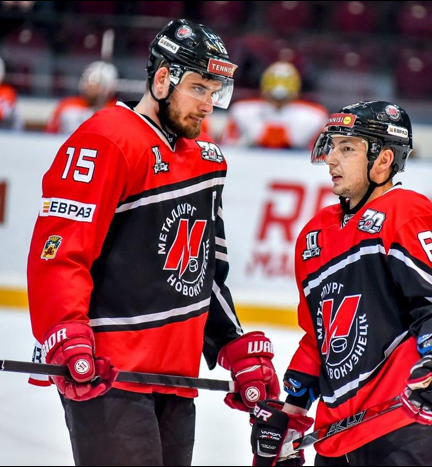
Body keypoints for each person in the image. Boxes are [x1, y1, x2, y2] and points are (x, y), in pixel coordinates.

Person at [27, 19, 280, 466]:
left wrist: (229, 342)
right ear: (163, 78)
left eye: (215, 92)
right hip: (109, 374)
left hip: (176, 378)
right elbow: (59, 250)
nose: (208, 105)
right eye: (199, 88)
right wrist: (63, 329)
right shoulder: (105, 139)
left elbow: (205, 271)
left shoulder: (207, 158)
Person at [249, 101, 432, 466]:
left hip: (406, 418)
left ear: (383, 159)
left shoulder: (407, 213)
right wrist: (290, 417)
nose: (331, 160)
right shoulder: (313, 235)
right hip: (337, 431)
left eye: (347, 148)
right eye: (332, 146)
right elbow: (318, 337)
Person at [223, 61, 327, 149]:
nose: (278, 104)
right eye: (274, 98)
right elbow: (228, 146)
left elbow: (320, 153)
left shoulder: (314, 117)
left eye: (283, 99)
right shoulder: (242, 112)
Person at [46, 61, 118, 135]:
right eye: (87, 81)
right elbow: (51, 134)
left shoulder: (117, 111)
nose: (90, 86)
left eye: (97, 83)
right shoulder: (67, 105)